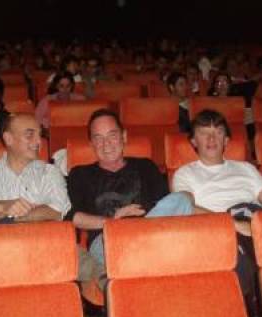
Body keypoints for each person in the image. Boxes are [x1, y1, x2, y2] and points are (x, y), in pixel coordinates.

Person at [172, 109, 262, 317]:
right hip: (219, 227)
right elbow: (186, 207)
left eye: (218, 133)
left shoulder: (245, 168)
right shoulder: (185, 174)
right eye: (204, 133)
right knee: (251, 271)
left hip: (256, 220)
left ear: (226, 140)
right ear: (193, 141)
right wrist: (234, 225)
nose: (211, 139)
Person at [66, 109, 193, 289]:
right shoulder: (79, 174)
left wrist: (138, 226)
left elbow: (166, 208)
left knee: (182, 199)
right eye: (98, 138)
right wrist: (112, 222)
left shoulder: (146, 166)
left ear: (124, 136)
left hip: (149, 232)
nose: (106, 144)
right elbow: (72, 217)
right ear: (91, 143)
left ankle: (138, 267)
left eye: (112, 135)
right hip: (107, 239)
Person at [0, 113, 70, 225]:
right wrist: (3, 206)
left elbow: (58, 211)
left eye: (39, 135)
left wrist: (7, 217)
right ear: (8, 139)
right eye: (29, 135)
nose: (38, 141)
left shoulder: (50, 172)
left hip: (37, 240)